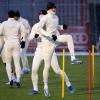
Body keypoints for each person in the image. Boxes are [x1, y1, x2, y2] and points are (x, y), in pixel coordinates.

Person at [29, 10, 75, 97]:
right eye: (40, 15)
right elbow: (30, 37)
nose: (42, 16)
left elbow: (58, 27)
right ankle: (35, 89)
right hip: (39, 51)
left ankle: (69, 84)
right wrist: (35, 37)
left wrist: (63, 27)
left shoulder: (50, 23)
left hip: (50, 51)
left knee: (57, 70)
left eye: (43, 15)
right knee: (34, 70)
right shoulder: (36, 26)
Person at [0, 10, 26, 87]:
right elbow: (23, 32)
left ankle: (10, 79)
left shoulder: (4, 23)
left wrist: (5, 34)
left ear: (8, 15)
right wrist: (23, 41)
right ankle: (18, 79)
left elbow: (0, 32)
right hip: (16, 44)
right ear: (14, 15)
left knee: (8, 63)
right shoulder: (18, 23)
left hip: (8, 44)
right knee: (17, 63)